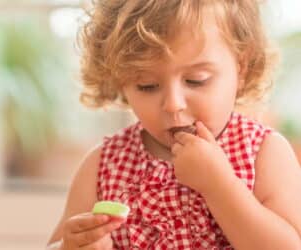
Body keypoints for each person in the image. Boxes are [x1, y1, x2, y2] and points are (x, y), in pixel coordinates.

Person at [47, 1, 301, 249]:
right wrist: (70, 246)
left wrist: (219, 186)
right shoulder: (103, 166)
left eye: (196, 80)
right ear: (119, 80)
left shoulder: (264, 153)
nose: (173, 104)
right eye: (147, 85)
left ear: (241, 68)